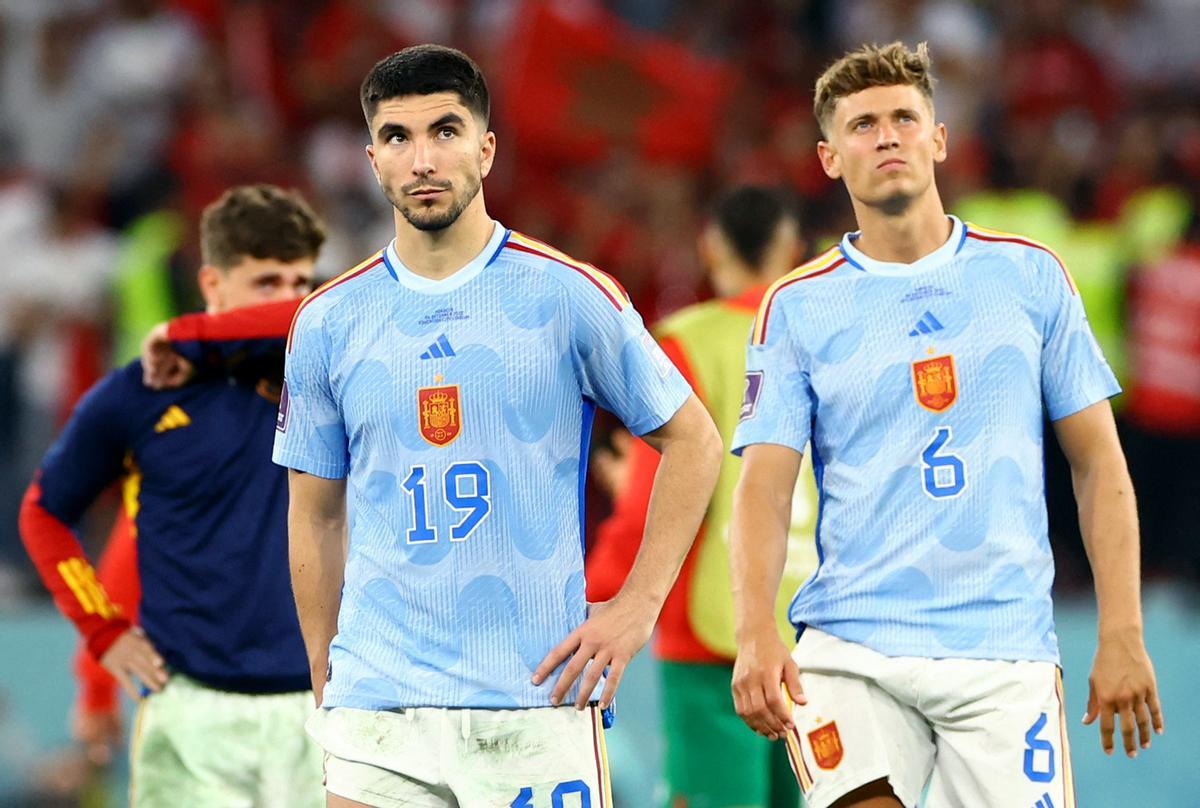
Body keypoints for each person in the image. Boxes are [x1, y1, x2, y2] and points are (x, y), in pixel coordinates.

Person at [272, 43, 721, 807]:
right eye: (398, 137)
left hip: (532, 699)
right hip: (379, 707)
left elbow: (695, 441)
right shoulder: (326, 323)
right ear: (372, 159)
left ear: (486, 148)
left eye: (445, 132)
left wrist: (638, 605)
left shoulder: (568, 295)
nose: (422, 159)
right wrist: (325, 663)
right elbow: (313, 513)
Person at [727, 42, 1163, 808]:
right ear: (830, 158)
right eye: (863, 124)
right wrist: (755, 629)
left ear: (939, 139)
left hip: (1002, 645)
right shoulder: (796, 306)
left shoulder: (1029, 276)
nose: (887, 136)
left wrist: (1121, 628)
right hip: (852, 640)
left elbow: (1098, 465)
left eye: (904, 117)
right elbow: (763, 488)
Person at [19, 184, 327, 807]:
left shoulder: (332, 379)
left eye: (303, 282)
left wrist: (190, 333)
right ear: (213, 283)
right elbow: (54, 517)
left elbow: (334, 311)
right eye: (268, 283)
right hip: (190, 714)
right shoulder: (141, 393)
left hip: (321, 707)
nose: (292, 301)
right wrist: (101, 646)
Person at [587, 186, 817, 808]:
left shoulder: (689, 341)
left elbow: (651, 496)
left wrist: (593, 594)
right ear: (794, 250)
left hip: (715, 632)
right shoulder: (829, 336)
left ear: (710, 247)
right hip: (824, 624)